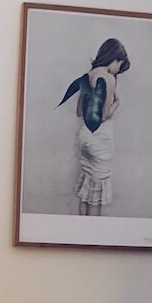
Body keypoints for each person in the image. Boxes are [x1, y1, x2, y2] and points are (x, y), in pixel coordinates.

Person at [58, 38, 130, 217]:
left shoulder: (88, 75)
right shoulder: (109, 78)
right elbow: (103, 116)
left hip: (84, 137)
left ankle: (81, 230)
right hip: (100, 141)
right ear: (115, 59)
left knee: (87, 189)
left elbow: (79, 112)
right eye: (120, 65)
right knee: (96, 196)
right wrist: (118, 102)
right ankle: (93, 232)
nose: (118, 70)